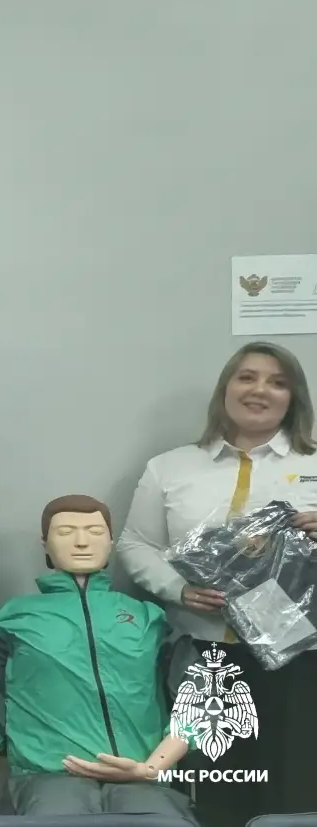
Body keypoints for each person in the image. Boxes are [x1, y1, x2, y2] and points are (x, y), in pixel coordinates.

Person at [115, 341, 317, 827]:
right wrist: (178, 590)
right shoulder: (171, 467)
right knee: (217, 796)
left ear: (294, 397)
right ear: (225, 388)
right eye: (247, 377)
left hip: (301, 658)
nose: (260, 390)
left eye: (277, 382)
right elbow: (135, 544)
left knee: (297, 795)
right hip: (205, 656)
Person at [0, 495, 195, 821]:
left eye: (95, 532)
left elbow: (195, 702)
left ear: (111, 542)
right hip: (47, 777)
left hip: (144, 777)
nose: (81, 542)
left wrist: (151, 768)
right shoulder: (14, 619)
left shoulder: (149, 618)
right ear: (45, 544)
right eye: (66, 531)